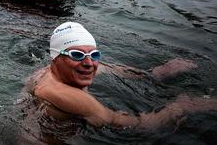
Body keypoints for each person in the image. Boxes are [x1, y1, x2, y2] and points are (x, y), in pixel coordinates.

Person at [26, 22, 217, 130]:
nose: (89, 63)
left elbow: (112, 69)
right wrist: (182, 106)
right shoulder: (65, 94)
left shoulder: (48, 71)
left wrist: (155, 74)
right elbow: (132, 126)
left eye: (94, 55)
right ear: (56, 58)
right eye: (77, 55)